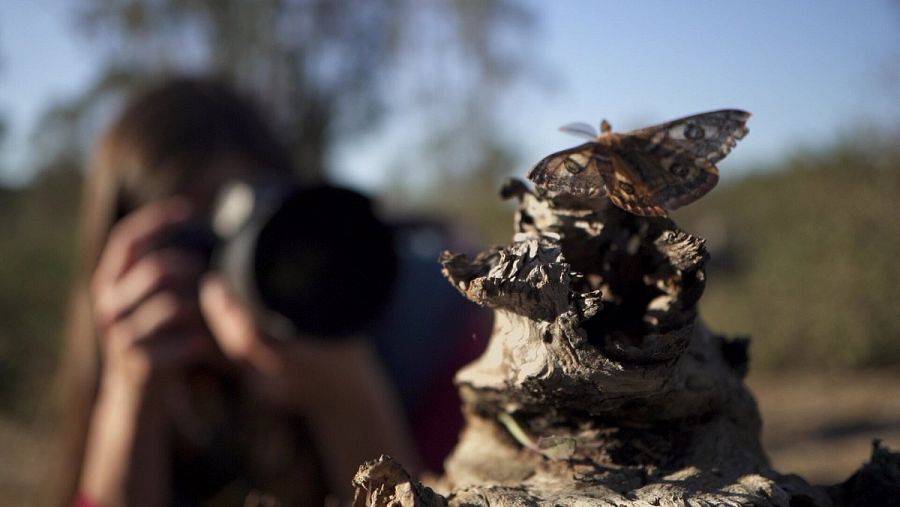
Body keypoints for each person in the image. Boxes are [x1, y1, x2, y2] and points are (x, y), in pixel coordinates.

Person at [54, 77, 421, 507]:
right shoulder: (139, 387)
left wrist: (346, 395)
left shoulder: (407, 338)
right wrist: (131, 398)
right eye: (199, 241)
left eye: (258, 228)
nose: (241, 270)